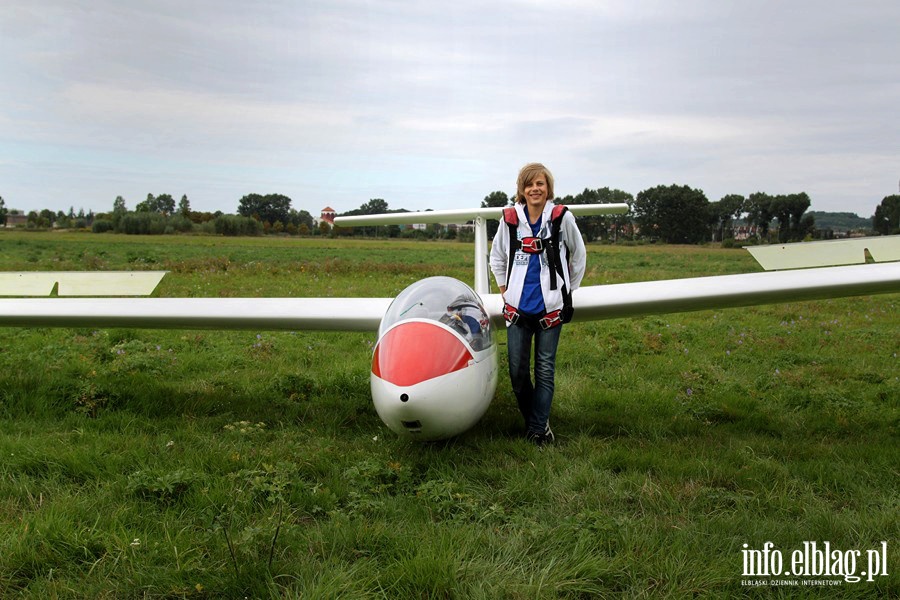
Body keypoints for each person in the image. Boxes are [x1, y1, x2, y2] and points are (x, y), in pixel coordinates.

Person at [489, 163, 586, 446]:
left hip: (551, 310)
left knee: (544, 370)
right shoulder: (509, 220)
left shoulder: (561, 218)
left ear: (548, 189)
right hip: (517, 310)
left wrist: (568, 291)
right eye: (530, 184)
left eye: (540, 184)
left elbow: (579, 256)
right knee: (517, 375)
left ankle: (537, 431)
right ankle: (537, 421)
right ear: (522, 189)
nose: (535, 189)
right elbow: (496, 257)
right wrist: (506, 291)